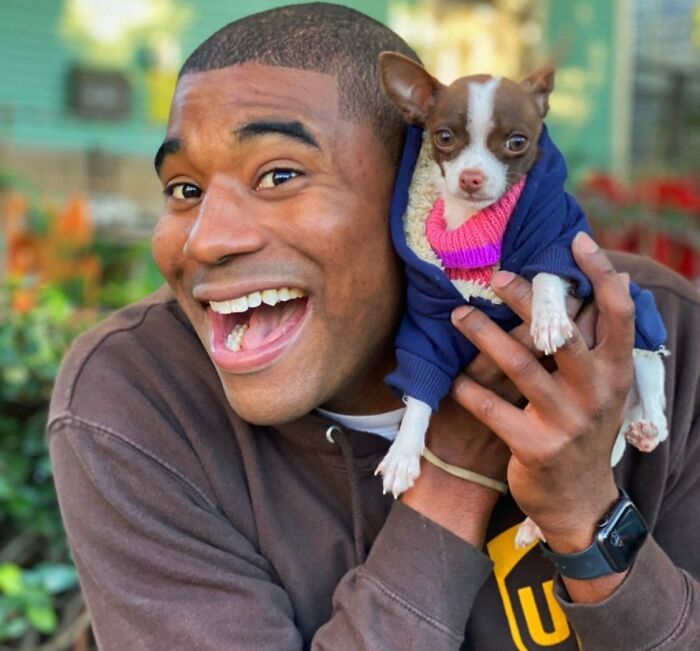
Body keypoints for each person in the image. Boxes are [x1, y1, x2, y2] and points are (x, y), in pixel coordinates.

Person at [47, 4, 700, 650]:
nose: (207, 239)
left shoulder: (657, 328)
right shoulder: (139, 397)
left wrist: (589, 520)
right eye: (184, 190)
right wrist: (450, 479)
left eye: (279, 174)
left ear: (414, 180)